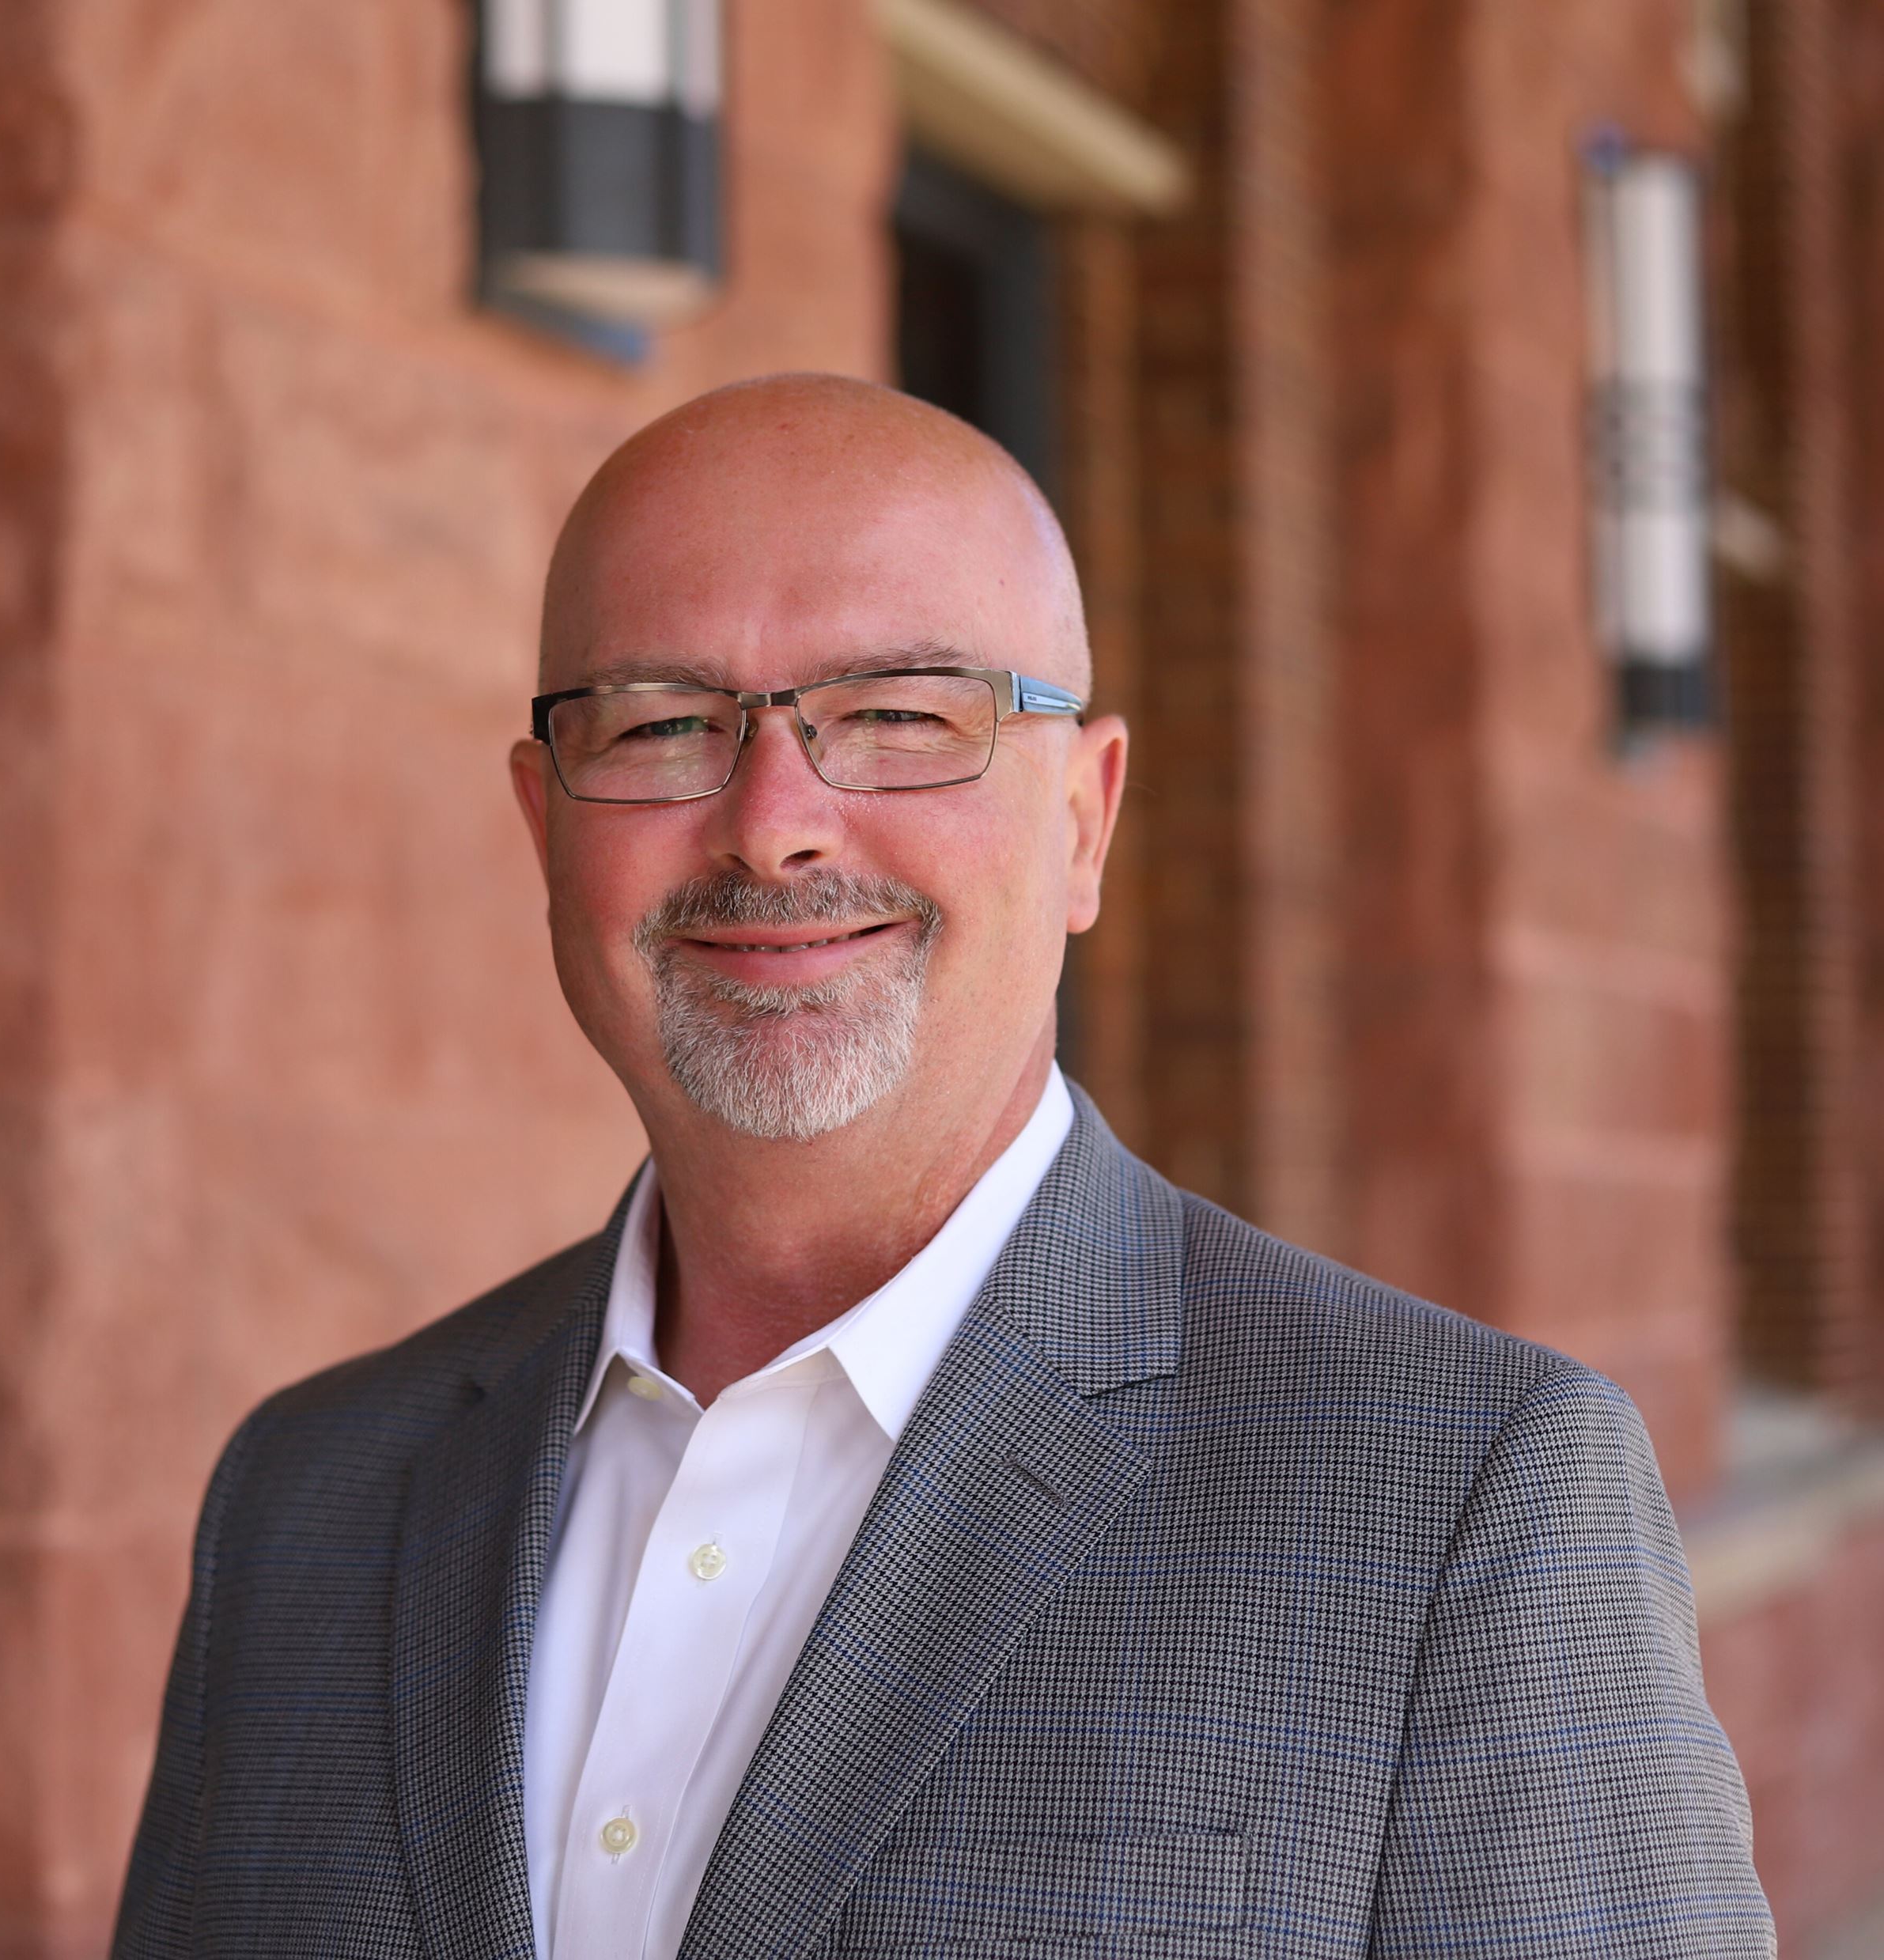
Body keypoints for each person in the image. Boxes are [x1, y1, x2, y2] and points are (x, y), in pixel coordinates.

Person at [114, 373, 1773, 1958]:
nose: (773, 822)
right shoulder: (307, 1501)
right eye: (664, 722)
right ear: (545, 829)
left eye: (899, 716)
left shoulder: (1457, 1504)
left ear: (1082, 819)